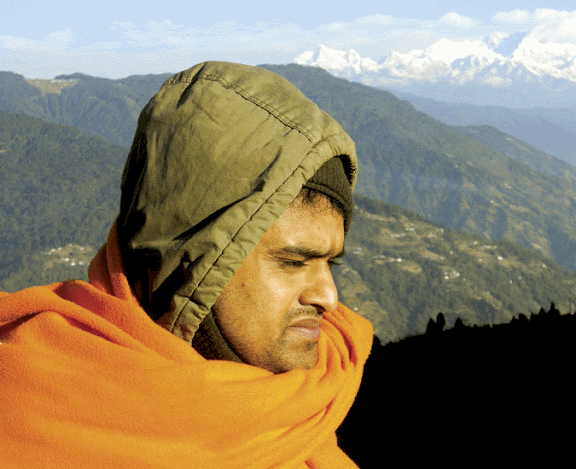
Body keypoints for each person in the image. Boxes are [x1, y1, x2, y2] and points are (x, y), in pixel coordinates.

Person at [0, 61, 373, 468]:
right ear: (193, 260)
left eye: (330, 264)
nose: (330, 299)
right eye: (292, 262)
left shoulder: (312, 406)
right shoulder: (20, 403)